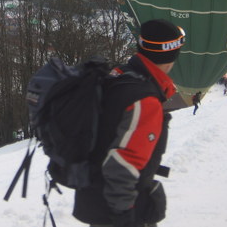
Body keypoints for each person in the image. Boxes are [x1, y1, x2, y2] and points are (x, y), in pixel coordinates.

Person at [73, 19, 186, 227]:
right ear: (171, 57)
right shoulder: (145, 100)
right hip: (118, 211)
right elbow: (122, 166)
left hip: (96, 196)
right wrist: (124, 217)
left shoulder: (118, 75)